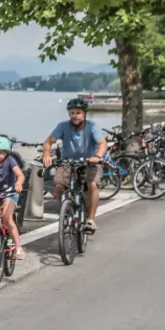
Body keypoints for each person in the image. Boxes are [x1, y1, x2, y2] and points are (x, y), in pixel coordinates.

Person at [42, 96, 104, 233]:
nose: (75, 116)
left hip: (89, 162)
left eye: (78, 113)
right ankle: (66, 208)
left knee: (92, 184)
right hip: (68, 162)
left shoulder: (92, 127)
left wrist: (97, 156)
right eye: (72, 113)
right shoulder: (62, 126)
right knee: (58, 185)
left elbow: (102, 143)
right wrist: (46, 154)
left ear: (84, 114)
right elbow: (48, 141)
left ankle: (90, 220)